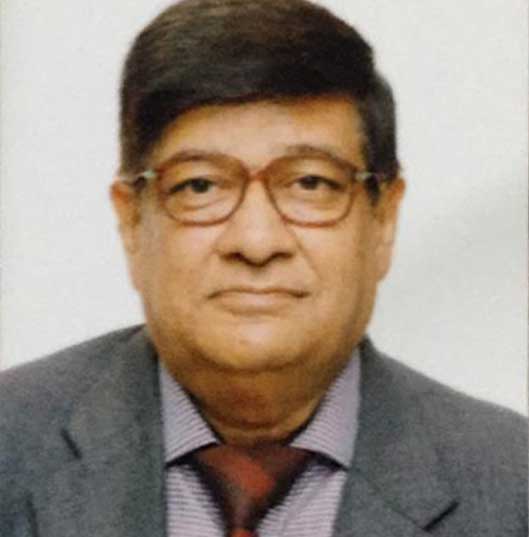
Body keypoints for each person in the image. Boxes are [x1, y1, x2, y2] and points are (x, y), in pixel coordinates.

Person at [1, 0, 526, 536]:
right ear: (132, 222)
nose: (256, 242)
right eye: (200, 186)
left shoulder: (512, 487)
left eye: (310, 184)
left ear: (384, 220)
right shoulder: (11, 446)